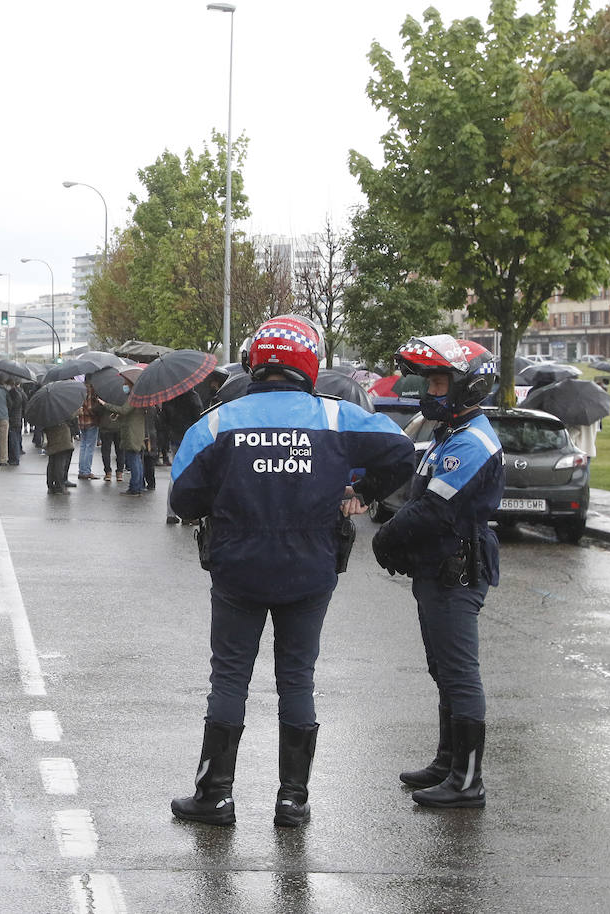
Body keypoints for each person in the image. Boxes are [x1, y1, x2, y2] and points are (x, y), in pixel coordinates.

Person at [167, 315, 414, 828]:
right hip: (311, 569)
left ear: (255, 363)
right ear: (310, 363)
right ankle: (292, 800)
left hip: (237, 570)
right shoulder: (337, 418)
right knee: (297, 678)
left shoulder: (217, 421)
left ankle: (215, 795)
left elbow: (183, 497)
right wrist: (362, 494)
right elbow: (401, 452)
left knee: (230, 677)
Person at [372, 335, 504, 809]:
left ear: (468, 387)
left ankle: (468, 780)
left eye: (441, 382)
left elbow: (431, 508)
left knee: (459, 673)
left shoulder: (472, 442)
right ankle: (448, 761)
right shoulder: (450, 434)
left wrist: (388, 536)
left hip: (458, 569)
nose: (431, 391)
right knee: (443, 670)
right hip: (439, 568)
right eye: (428, 381)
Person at [162, 388, 205, 521]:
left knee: (175, 474)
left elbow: (164, 420)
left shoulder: (169, 396)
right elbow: (199, 417)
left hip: (174, 439)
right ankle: (188, 515)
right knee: (190, 475)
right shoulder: (193, 396)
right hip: (189, 439)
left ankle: (170, 513)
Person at [76, 383, 101, 479]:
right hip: (91, 421)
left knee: (83, 446)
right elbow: (90, 407)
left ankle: (82, 470)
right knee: (89, 447)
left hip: (81, 421)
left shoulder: (80, 389)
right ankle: (86, 471)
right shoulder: (91, 390)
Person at [43, 422, 74, 494]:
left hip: (51, 435)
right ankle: (59, 486)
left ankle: (50, 486)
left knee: (52, 462)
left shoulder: (45, 413)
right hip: (62, 437)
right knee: (60, 463)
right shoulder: (61, 412)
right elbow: (70, 417)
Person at [6, 381, 27, 466]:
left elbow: (10, 405)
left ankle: (14, 458)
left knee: (13, 439)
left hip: (12, 418)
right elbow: (25, 402)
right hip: (18, 417)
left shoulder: (12, 393)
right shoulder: (20, 392)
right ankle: (15, 456)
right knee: (16, 437)